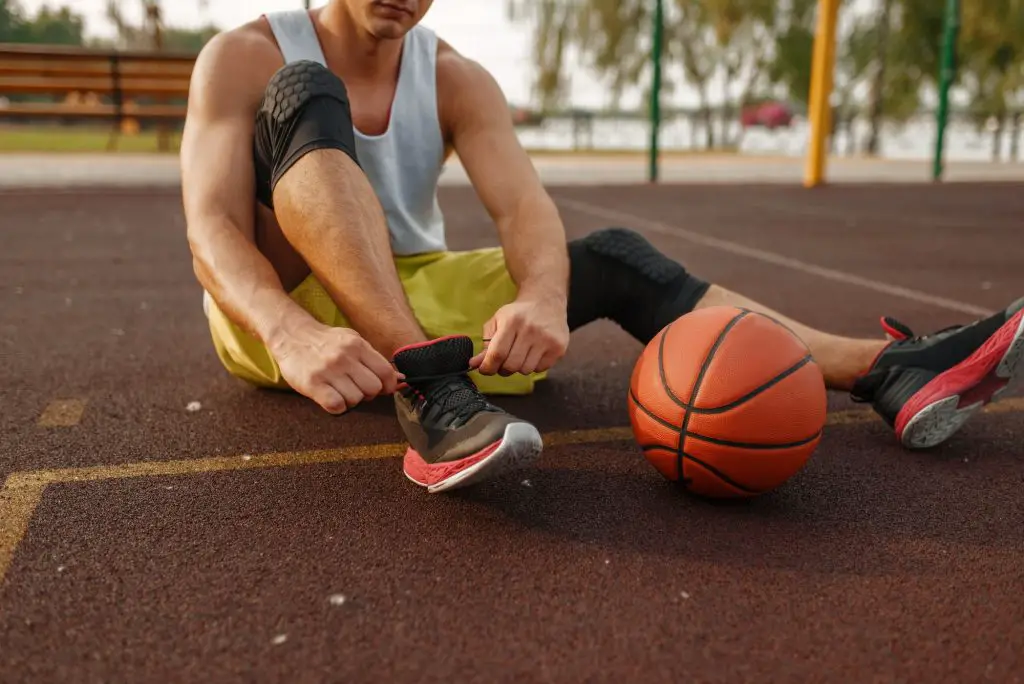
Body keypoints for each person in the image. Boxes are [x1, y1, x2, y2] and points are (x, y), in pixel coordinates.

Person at [181, 0, 1023, 494]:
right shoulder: (244, 54)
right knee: (303, 92)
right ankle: (434, 398)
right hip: (275, 315)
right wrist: (286, 332)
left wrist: (544, 297)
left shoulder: (457, 77)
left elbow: (524, 209)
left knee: (614, 256)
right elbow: (211, 227)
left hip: (403, 293)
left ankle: (887, 370)